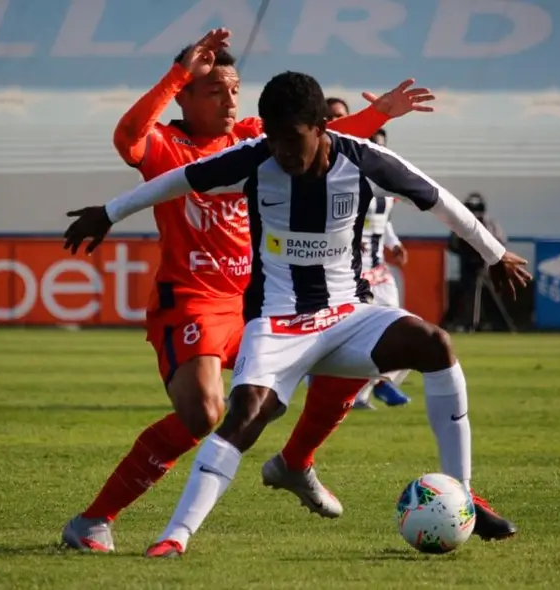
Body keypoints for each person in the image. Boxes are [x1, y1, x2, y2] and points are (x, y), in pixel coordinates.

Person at [63, 71, 531, 557]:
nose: (282, 151)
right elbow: (178, 180)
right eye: (273, 138)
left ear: (320, 129)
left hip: (346, 315)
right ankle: (175, 538)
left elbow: (440, 199)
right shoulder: (256, 159)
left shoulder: (365, 160)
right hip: (277, 322)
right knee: (242, 415)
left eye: (292, 139)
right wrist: (111, 212)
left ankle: (464, 491)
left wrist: (496, 255)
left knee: (434, 345)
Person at [326, 101, 410, 409]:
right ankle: (359, 392)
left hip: (379, 270)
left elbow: (382, 221)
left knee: (403, 327)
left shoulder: (387, 182)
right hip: (348, 271)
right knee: (354, 336)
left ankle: (379, 384)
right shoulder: (337, 174)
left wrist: (394, 242)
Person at [447, 192, 509, 331]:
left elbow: (500, 241)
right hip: (467, 266)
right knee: (464, 294)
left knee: (490, 297)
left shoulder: (489, 223)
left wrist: (488, 253)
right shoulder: (461, 224)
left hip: (484, 266)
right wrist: (466, 252)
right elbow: (452, 245)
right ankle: (464, 323)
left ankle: (500, 325)